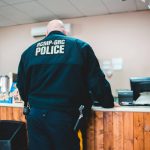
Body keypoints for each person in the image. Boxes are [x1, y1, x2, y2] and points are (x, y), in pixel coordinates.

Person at [17, 19, 114, 150]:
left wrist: (29, 101)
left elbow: (22, 86)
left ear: (46, 34)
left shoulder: (28, 52)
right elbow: (96, 81)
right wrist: (108, 102)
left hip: (35, 116)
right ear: (65, 32)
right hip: (65, 116)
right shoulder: (80, 47)